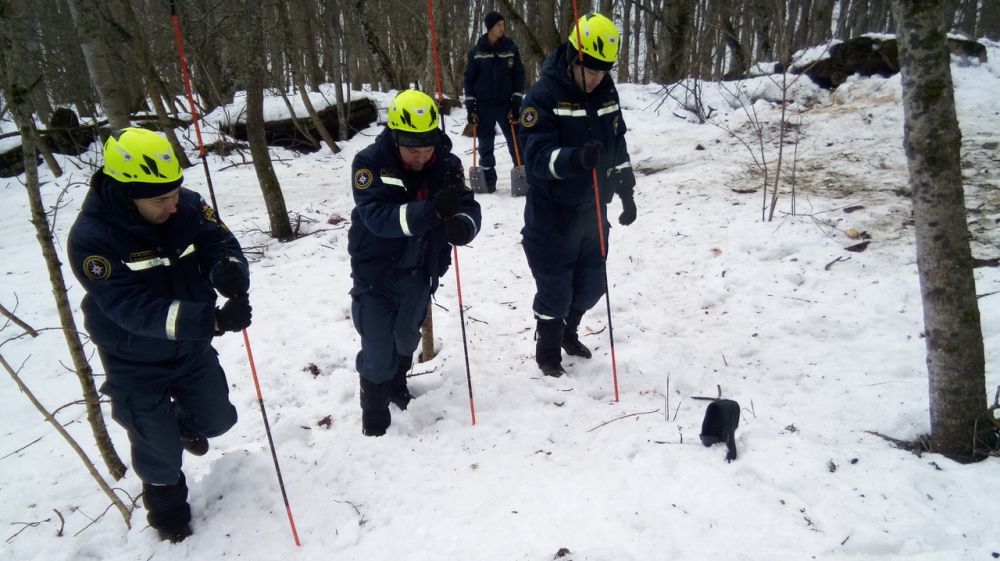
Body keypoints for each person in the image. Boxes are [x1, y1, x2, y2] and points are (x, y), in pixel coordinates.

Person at [67, 128, 252, 543]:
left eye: (174, 193)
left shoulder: (184, 205)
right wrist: (212, 322)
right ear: (125, 191)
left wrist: (228, 267)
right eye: (159, 200)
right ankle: (167, 516)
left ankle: (184, 423)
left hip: (191, 351)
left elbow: (219, 240)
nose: (173, 206)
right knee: (158, 451)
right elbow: (129, 307)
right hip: (135, 360)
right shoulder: (91, 239)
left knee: (219, 420)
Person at [348, 89, 481, 436]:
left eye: (427, 148)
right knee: (377, 350)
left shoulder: (448, 165)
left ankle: (397, 383)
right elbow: (378, 218)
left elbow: (468, 206)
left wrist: (462, 226)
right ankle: (374, 411)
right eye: (412, 149)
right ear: (395, 137)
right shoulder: (369, 163)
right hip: (376, 275)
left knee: (406, 340)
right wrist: (432, 211)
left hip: (420, 273)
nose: (421, 157)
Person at [517, 13, 638, 377]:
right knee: (555, 288)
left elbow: (616, 143)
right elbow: (536, 159)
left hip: (592, 210)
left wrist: (626, 189)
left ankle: (570, 332)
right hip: (552, 213)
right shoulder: (541, 97)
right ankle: (548, 351)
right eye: (592, 70)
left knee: (591, 285)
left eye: (604, 71)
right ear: (573, 58)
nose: (598, 78)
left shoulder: (605, 91)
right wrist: (574, 160)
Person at [463, 10, 526, 193]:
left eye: (503, 24)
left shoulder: (511, 49)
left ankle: (523, 176)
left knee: (516, 142)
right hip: (483, 106)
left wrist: (516, 102)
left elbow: (519, 76)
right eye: (499, 25)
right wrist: (470, 107)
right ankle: (488, 182)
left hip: (507, 105)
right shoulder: (476, 52)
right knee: (485, 146)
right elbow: (469, 80)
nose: (502, 28)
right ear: (490, 28)